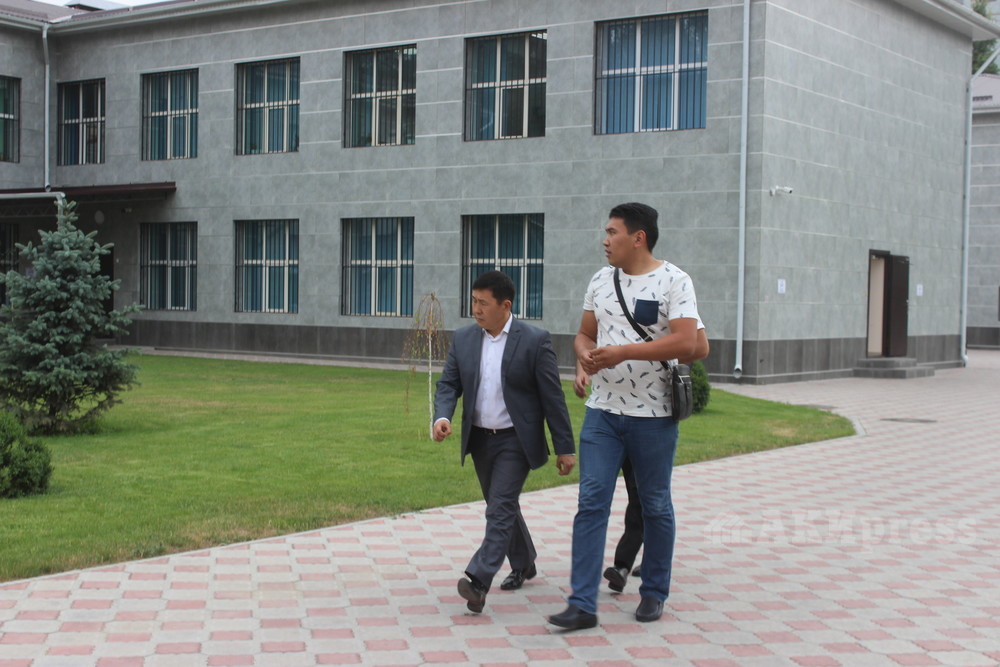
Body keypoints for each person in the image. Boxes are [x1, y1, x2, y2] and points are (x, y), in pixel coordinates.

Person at [548, 202, 702, 630]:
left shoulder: (675, 281)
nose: (605, 240)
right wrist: (585, 356)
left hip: (653, 416)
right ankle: (582, 604)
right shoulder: (600, 280)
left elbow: (688, 342)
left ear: (638, 238)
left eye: (612, 232)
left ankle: (653, 591)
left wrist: (623, 352)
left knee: (655, 504)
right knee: (590, 504)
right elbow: (584, 334)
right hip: (602, 414)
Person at [433, 270, 576, 615]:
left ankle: (478, 580)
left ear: (505, 305)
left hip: (516, 441)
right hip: (480, 440)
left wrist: (565, 447)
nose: (476, 309)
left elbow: (552, 397)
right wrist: (442, 417)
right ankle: (524, 562)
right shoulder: (465, 339)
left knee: (498, 509)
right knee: (503, 506)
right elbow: (449, 384)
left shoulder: (534, 340)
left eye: (483, 303)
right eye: (473, 301)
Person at [592, 327, 710, 593]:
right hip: (611, 413)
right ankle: (639, 561)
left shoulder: (677, 306)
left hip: (652, 417)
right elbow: (588, 336)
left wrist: (653, 356)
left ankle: (625, 565)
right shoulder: (608, 304)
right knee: (623, 495)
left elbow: (700, 347)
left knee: (645, 497)